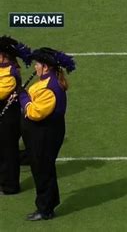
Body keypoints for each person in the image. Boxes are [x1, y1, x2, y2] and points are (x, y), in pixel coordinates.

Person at [18, 47, 75, 221]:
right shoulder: (45, 80)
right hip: (41, 132)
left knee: (43, 170)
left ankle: (45, 209)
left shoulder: (50, 87)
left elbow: (35, 113)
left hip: (44, 133)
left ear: (46, 67)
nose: (35, 67)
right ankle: (49, 202)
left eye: (38, 64)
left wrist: (22, 97)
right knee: (42, 168)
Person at [0, 35, 31, 195]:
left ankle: (10, 186)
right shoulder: (2, 68)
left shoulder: (10, 73)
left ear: (4, 56)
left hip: (9, 120)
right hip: (4, 117)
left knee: (8, 152)